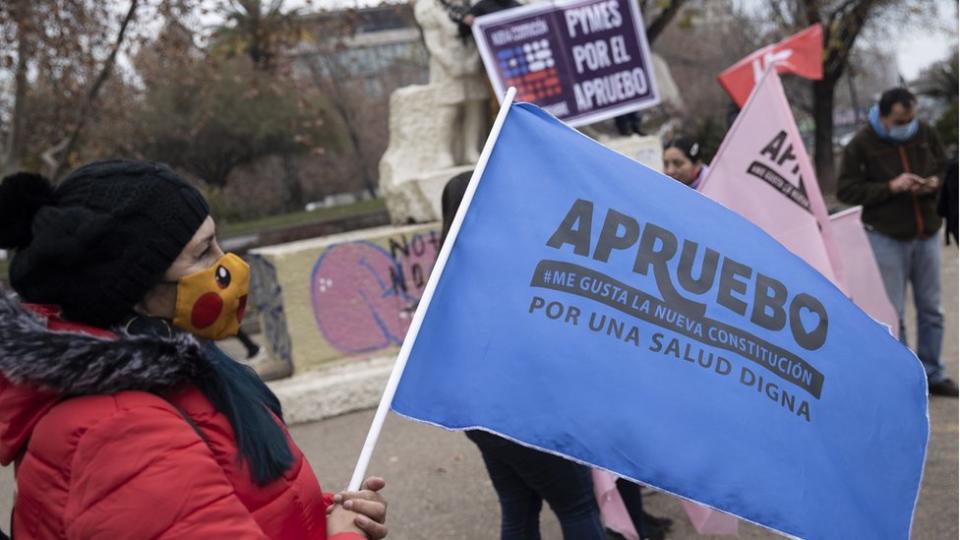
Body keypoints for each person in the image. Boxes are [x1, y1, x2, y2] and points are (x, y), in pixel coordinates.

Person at [0, 160, 389, 538]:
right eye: (203, 253)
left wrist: (326, 516)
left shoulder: (177, 375)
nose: (228, 265)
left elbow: (219, 507)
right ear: (133, 290)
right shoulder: (119, 435)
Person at [441, 172, 608, 540]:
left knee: (518, 505)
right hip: (528, 413)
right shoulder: (512, 267)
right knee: (577, 505)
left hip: (480, 419)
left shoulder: (446, 278)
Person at [837, 87, 958, 397]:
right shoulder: (862, 144)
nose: (909, 124)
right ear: (884, 116)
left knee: (932, 308)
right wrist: (890, 187)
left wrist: (933, 184)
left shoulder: (925, 133)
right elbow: (847, 190)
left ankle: (933, 372)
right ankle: (902, 379)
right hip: (886, 235)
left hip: (926, 232)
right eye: (902, 120)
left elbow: (944, 170)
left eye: (912, 117)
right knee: (894, 313)